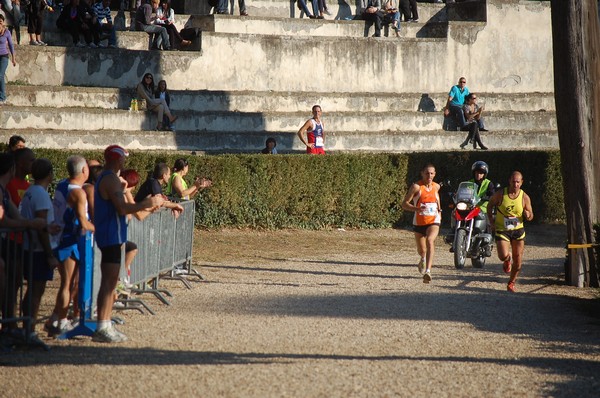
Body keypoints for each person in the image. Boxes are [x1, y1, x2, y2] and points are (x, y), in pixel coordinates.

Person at [93, 145, 164, 343]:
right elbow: (123, 208)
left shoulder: (111, 179)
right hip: (110, 236)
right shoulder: (110, 179)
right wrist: (146, 204)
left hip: (112, 235)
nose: (125, 162)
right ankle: (102, 326)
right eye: (123, 158)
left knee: (110, 283)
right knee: (109, 284)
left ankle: (105, 324)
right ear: (116, 159)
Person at [45, 155, 94, 336]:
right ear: (83, 171)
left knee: (72, 283)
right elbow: (83, 221)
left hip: (61, 239)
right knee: (67, 284)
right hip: (68, 241)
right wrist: (98, 229)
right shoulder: (78, 193)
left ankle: (54, 319)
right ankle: (62, 321)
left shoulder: (62, 185)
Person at [19, 158, 61, 331]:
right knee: (36, 291)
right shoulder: (41, 194)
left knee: (32, 291)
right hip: (38, 249)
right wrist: (49, 254)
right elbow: (41, 225)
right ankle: (29, 329)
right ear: (49, 174)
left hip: (30, 246)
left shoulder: (30, 191)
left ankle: (27, 326)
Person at [487, 171, 534, 293]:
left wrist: (528, 215)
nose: (515, 184)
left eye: (518, 182)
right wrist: (492, 221)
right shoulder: (501, 194)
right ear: (509, 181)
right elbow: (490, 205)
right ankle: (507, 260)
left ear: (522, 182)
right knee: (502, 255)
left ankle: (511, 282)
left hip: (518, 230)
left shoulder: (524, 197)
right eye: (513, 181)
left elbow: (531, 215)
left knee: (518, 260)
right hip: (503, 230)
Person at [401, 163, 442, 283]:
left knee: (430, 240)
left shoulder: (436, 186)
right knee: (422, 250)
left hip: (433, 221)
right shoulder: (416, 187)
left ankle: (428, 271)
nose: (429, 175)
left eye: (432, 173)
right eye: (427, 173)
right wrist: (417, 209)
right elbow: (404, 204)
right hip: (419, 222)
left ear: (434, 174)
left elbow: (437, 200)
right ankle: (423, 258)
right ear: (422, 173)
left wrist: (439, 212)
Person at [0, 14, 15, 104]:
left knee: (0, 75)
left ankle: (2, 97)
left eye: (0, 22)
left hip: (4, 57)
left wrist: (13, 58)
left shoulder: (6, 32)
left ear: (3, 23)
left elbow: (10, 45)